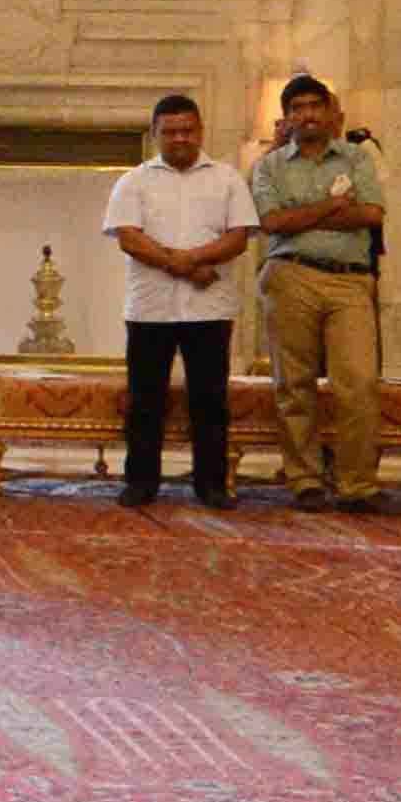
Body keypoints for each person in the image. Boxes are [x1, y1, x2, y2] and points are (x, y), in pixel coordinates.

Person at [103, 89, 255, 505]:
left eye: (187, 130)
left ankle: (210, 484)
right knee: (145, 399)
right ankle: (141, 482)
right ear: (155, 134)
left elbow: (238, 237)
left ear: (200, 131)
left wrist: (186, 258)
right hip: (150, 308)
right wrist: (184, 265)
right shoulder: (133, 181)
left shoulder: (227, 179)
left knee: (209, 399)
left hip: (210, 308)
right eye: (170, 132)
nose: (180, 139)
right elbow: (129, 238)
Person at [249, 77, 389, 507]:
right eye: (298, 108)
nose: (308, 114)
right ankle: (304, 479)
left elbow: (370, 212)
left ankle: (357, 484)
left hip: (350, 280)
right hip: (291, 275)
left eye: (315, 106)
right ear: (287, 118)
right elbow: (272, 223)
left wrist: (302, 216)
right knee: (294, 384)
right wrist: (332, 207)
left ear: (331, 113)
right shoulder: (270, 166)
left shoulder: (357, 158)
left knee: (359, 382)